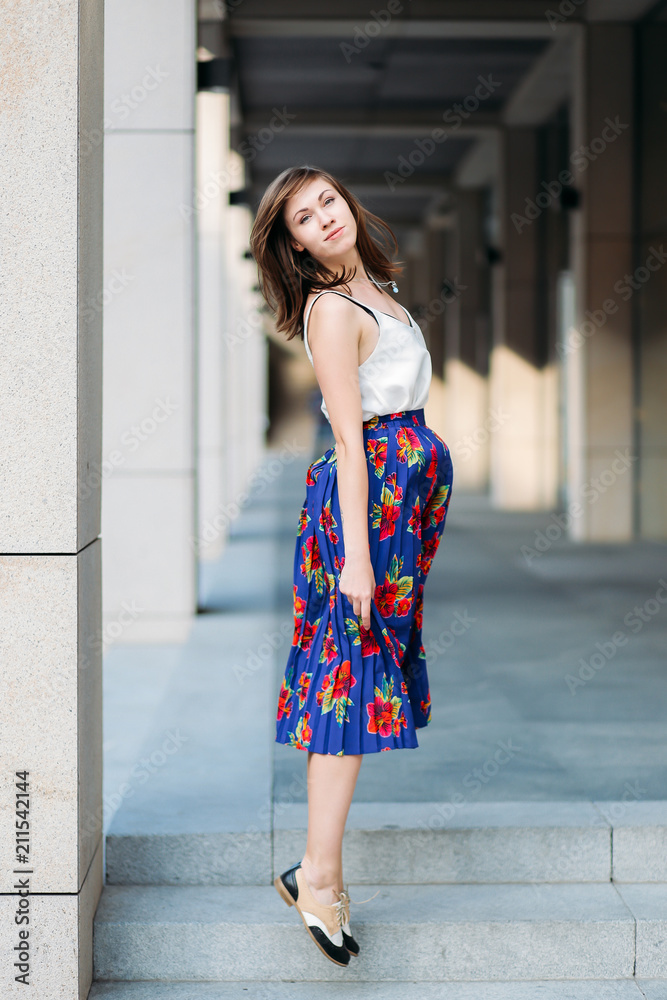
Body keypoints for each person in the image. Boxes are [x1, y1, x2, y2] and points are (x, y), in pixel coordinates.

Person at [249, 165, 454, 967]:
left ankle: (313, 870)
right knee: (348, 677)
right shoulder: (332, 311)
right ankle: (319, 878)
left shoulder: (381, 295)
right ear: (292, 242)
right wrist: (358, 563)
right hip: (360, 519)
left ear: (347, 205)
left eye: (328, 200)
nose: (324, 218)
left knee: (358, 676)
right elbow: (346, 439)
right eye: (304, 216)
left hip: (399, 513)